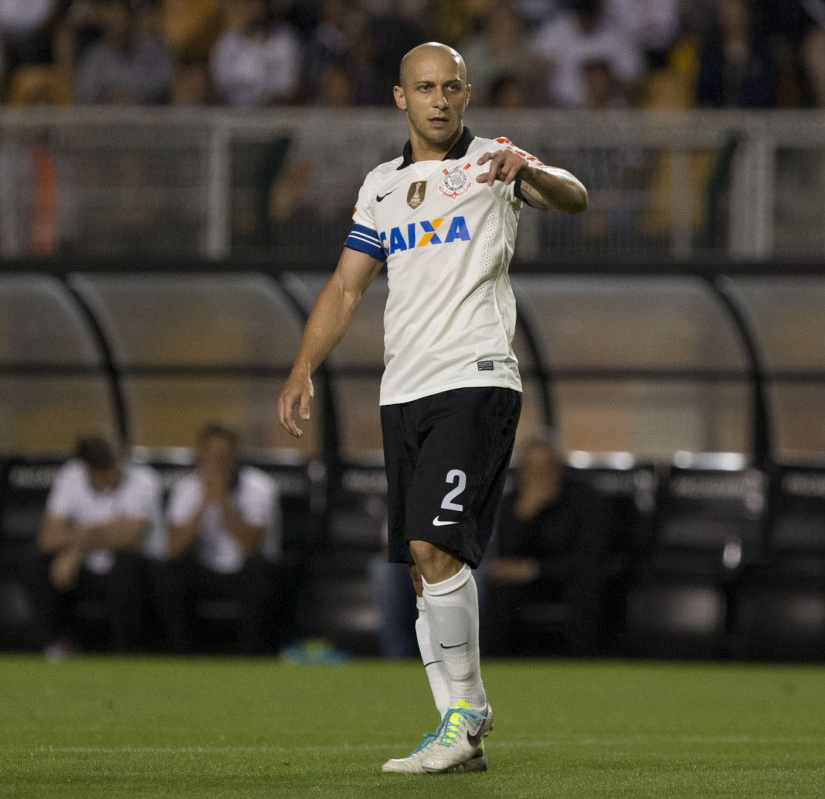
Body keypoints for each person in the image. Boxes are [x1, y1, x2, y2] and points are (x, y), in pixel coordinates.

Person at [277, 42, 586, 774]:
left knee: (432, 547)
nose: (439, 99)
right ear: (400, 98)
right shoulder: (382, 185)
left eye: (450, 87)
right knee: (422, 569)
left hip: (474, 380)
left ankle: (466, 714)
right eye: (425, 88)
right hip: (403, 390)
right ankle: (461, 731)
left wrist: (533, 169)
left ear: (467, 95)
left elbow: (573, 196)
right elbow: (348, 286)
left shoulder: (495, 161)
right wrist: (301, 365)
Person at [155, 422, 280, 655]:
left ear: (235, 458)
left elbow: (250, 546)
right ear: (200, 457)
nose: (218, 463)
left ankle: (250, 655)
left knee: (259, 570)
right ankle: (183, 653)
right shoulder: (186, 488)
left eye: (224, 457)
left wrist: (222, 500)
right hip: (204, 572)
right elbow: (173, 549)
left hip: (244, 572)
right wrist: (203, 502)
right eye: (211, 456)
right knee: (171, 571)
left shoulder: (259, 486)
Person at [37, 434, 163, 658]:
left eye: (115, 465)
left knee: (127, 566)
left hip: (133, 571)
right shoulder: (70, 476)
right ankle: (55, 643)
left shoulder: (143, 479)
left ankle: (126, 650)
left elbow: (130, 537)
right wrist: (97, 537)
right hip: (84, 571)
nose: (113, 474)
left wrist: (77, 545)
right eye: (104, 469)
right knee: (38, 561)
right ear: (88, 469)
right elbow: (48, 537)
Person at [485, 439, 607, 656]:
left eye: (545, 468)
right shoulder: (512, 503)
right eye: (531, 470)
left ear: (559, 469)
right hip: (528, 585)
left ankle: (585, 665)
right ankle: (496, 664)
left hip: (568, 579)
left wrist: (534, 569)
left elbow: (589, 556)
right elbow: (506, 555)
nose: (538, 476)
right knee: (498, 587)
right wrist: (524, 516)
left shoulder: (585, 499)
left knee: (586, 589)